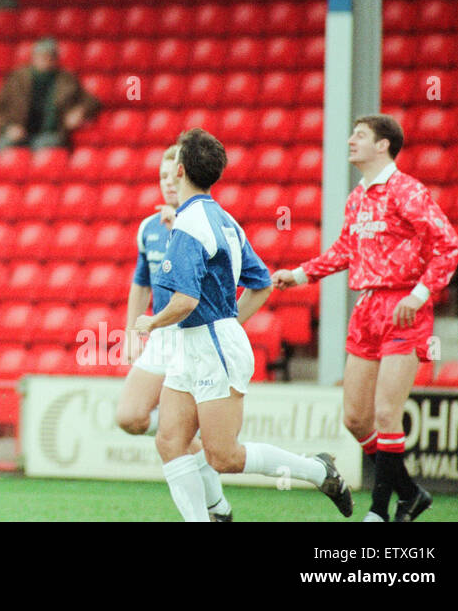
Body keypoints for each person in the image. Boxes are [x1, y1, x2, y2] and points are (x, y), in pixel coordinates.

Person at [133, 128, 353, 522]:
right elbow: (261, 283)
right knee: (170, 440)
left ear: (179, 170)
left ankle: (318, 470)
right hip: (201, 341)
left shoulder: (187, 225)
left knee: (223, 457)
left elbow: (185, 300)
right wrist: (230, 323)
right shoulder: (225, 220)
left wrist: (152, 321)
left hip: (210, 343)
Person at [271, 114, 458, 522]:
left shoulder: (407, 191)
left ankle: (378, 512)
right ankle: (410, 493)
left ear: (383, 145)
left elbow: (449, 245)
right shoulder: (357, 197)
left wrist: (419, 293)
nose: (350, 140)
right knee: (355, 418)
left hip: (405, 309)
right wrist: (301, 274)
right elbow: (344, 250)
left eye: (359, 135)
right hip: (367, 309)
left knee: (385, 414)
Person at [116, 144, 233, 521]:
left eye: (173, 175)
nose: (168, 183)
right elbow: (140, 283)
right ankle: (214, 496)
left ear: (185, 174)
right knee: (130, 416)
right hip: (161, 334)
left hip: (192, 334)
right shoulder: (148, 228)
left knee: (175, 437)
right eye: (162, 177)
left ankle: (216, 507)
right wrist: (133, 332)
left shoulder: (194, 223)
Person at [0, 37, 101, 151]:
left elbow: (92, 102)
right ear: (33, 57)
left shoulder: (66, 79)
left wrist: (79, 111)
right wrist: (8, 128)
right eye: (40, 56)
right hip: (19, 133)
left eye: (49, 56)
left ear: (55, 59)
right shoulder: (17, 78)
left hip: (50, 134)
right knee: (4, 147)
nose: (44, 59)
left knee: (45, 151)